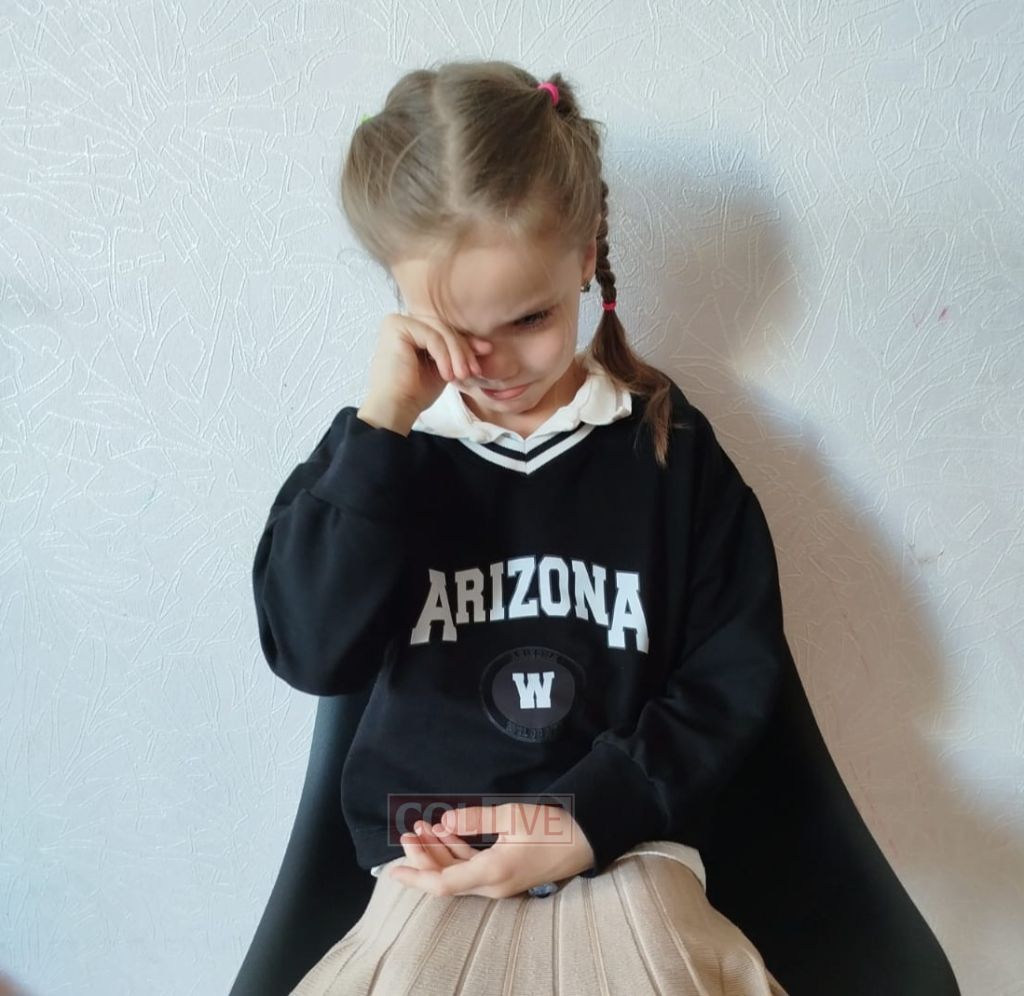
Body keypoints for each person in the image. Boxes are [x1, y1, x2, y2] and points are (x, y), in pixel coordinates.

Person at [252, 59, 792, 995]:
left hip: (626, 845)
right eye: (452, 328)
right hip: (430, 854)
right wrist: (382, 426)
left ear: (586, 256)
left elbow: (733, 672)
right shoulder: (380, 458)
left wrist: (585, 817)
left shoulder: (671, 454)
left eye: (531, 318)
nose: (493, 364)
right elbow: (310, 652)